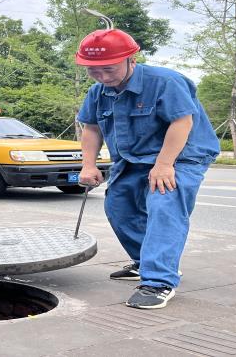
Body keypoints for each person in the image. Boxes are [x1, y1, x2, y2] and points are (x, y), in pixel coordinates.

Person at [75, 27, 220, 309]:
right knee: (118, 206)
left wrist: (164, 164)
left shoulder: (166, 82)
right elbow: (91, 128)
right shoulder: (98, 92)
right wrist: (88, 165)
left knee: (164, 205)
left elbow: (182, 122)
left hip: (181, 155)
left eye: (109, 69)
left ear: (132, 59)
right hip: (133, 157)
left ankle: (158, 281)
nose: (103, 77)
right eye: (93, 71)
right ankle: (145, 261)